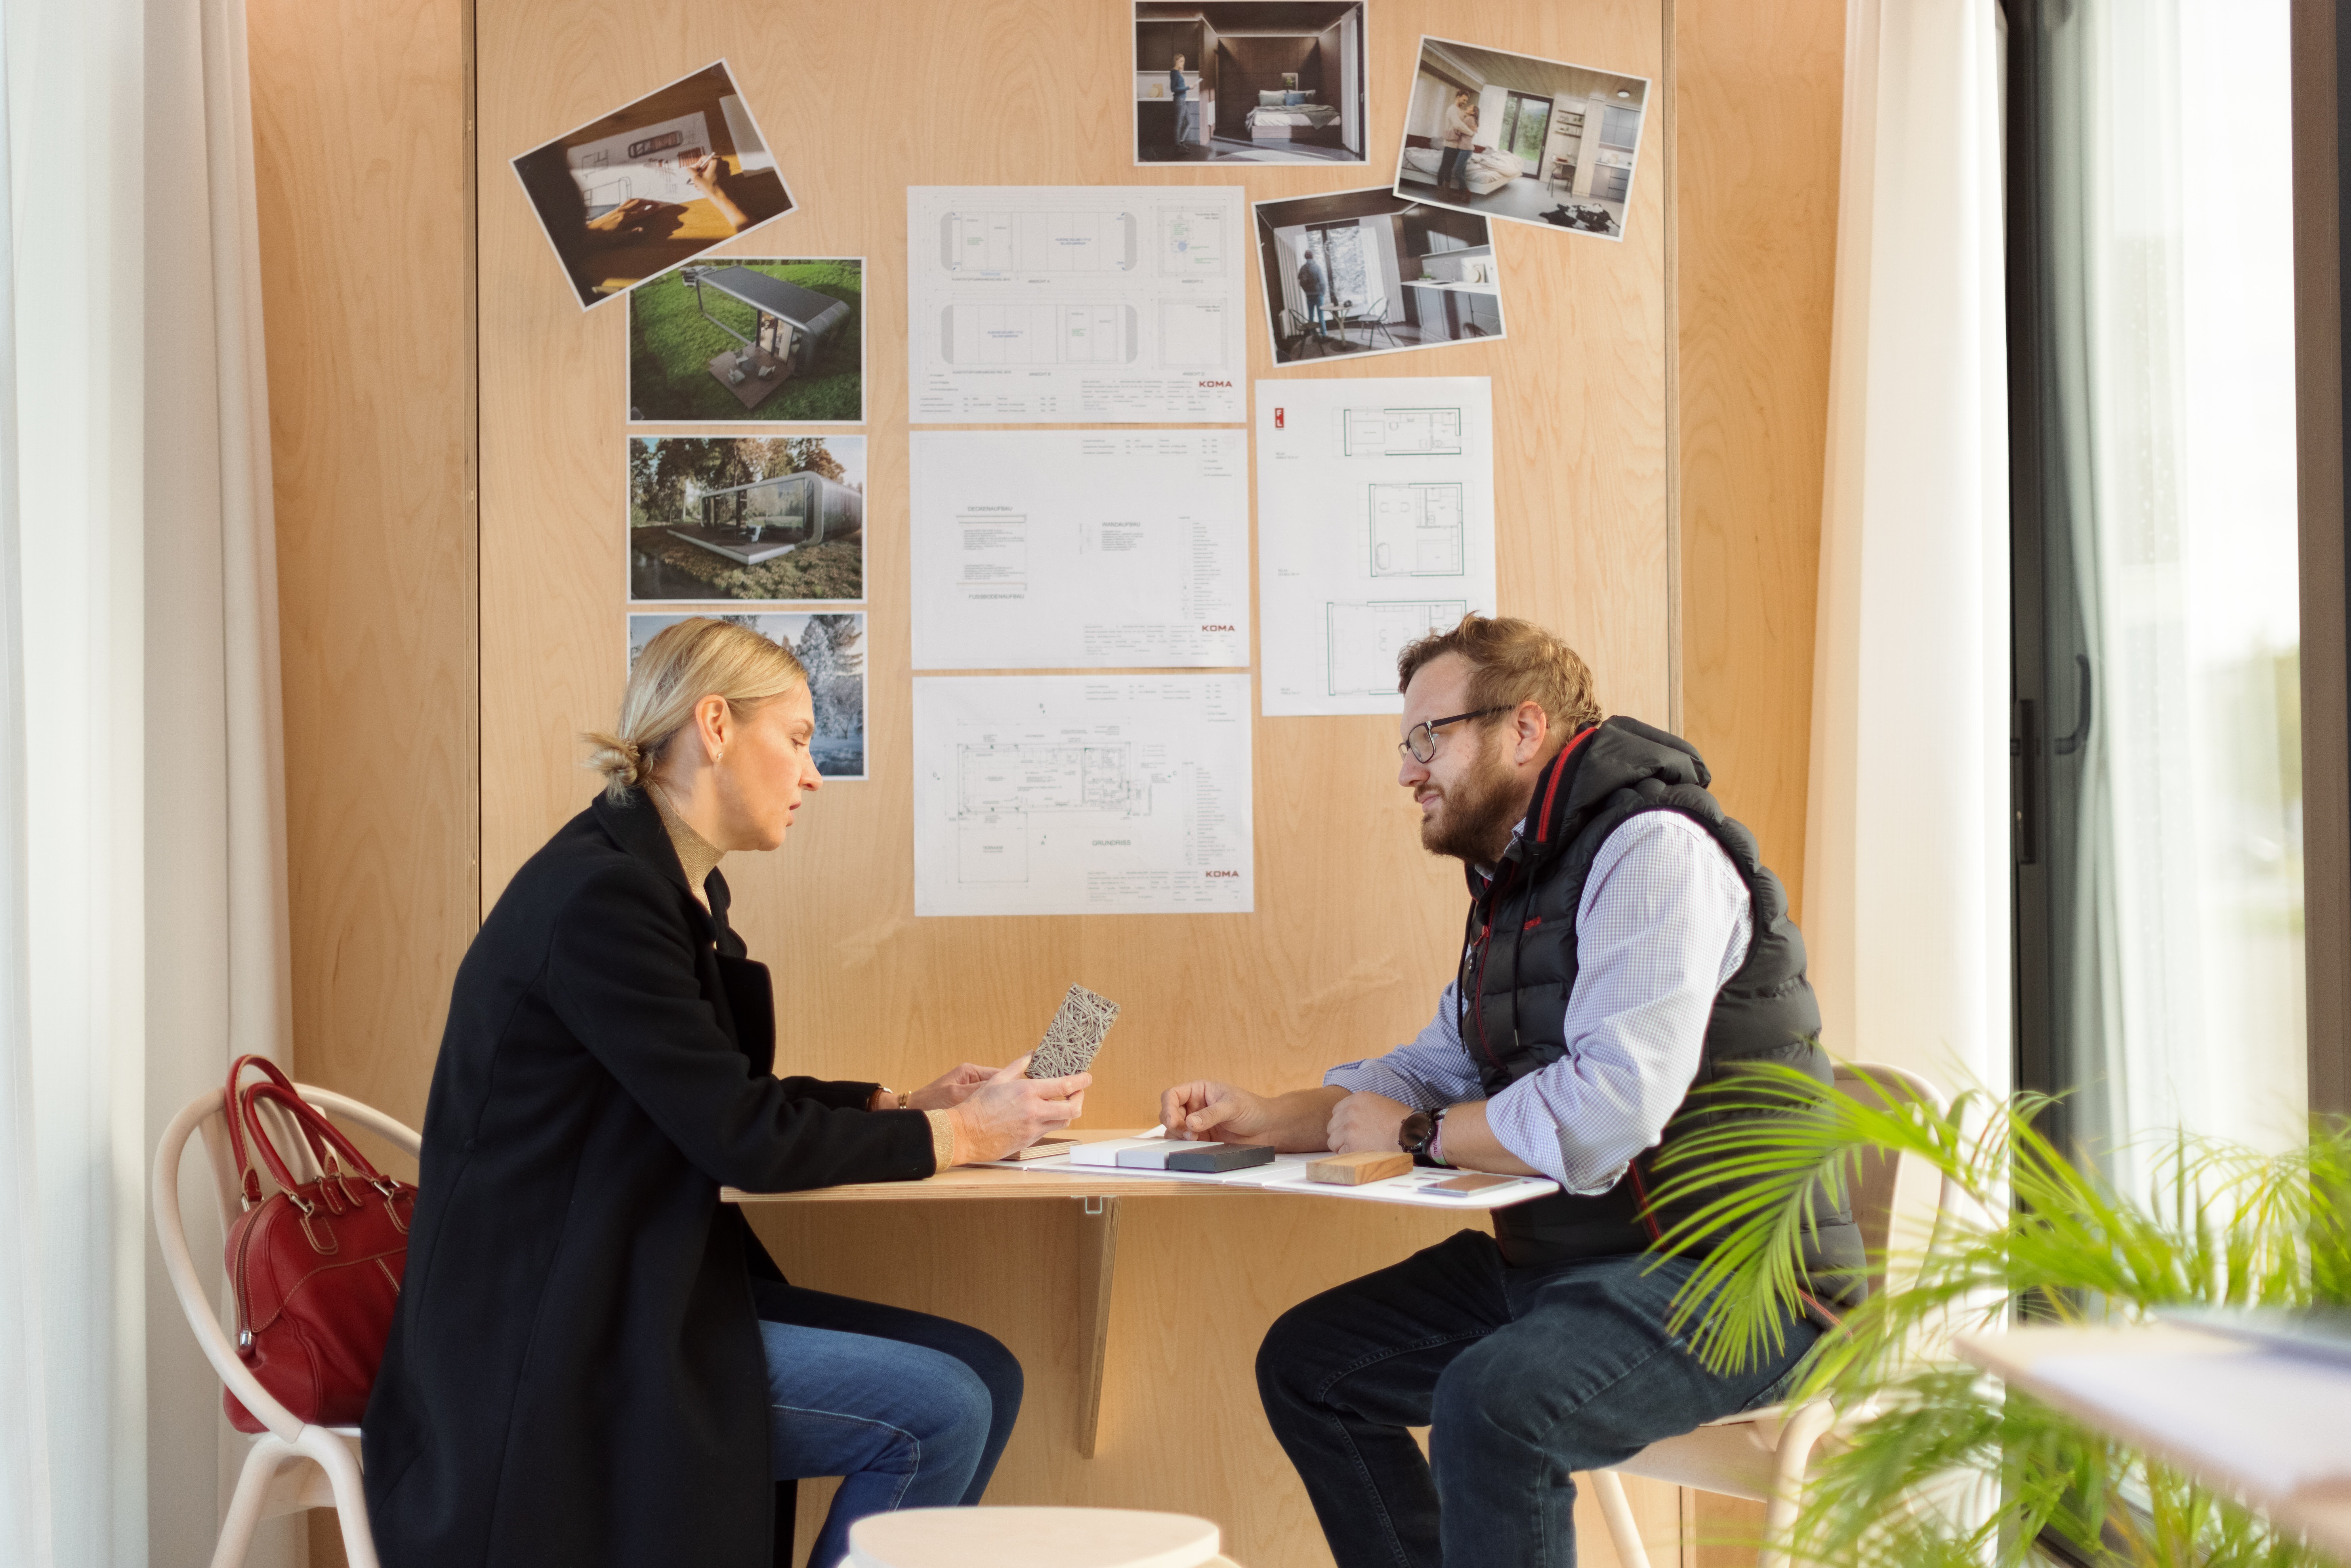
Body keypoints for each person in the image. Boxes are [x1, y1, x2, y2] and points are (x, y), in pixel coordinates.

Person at [364, 618, 1091, 1568]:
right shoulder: (604, 903)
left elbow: (714, 1097)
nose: (813, 773)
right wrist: (964, 1137)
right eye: (795, 739)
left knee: (988, 1372)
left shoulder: (651, 887)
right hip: (559, 1334)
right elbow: (741, 1138)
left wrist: (896, 1108)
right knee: (944, 1409)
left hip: (628, 1282)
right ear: (714, 725)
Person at [1155, 615, 1862, 1568]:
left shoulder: (1653, 852)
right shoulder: (1516, 887)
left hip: (1737, 1280)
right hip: (1580, 1267)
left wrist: (1416, 1134)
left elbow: (1615, 1102)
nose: (1409, 770)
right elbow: (1435, 1066)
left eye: (1427, 738)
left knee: (1494, 1406)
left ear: (1524, 729)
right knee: (1312, 1365)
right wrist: (1267, 1115)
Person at [1438, 89, 1478, 193]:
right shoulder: (1452, 109)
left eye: (1467, 101)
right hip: (1450, 143)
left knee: (1450, 168)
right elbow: (1458, 125)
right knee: (1445, 167)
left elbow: (1469, 119)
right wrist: (1471, 133)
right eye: (1464, 100)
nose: (1466, 103)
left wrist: (1475, 128)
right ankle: (1441, 191)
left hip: (1458, 145)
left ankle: (1447, 191)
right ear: (1458, 97)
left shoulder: (1461, 111)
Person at [1296, 242, 1329, 338]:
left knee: (1311, 316)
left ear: (1305, 257)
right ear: (1313, 257)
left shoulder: (1302, 269)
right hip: (1318, 295)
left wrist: (1306, 291)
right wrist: (1323, 292)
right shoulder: (1317, 267)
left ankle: (1313, 335)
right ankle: (1324, 334)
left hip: (1309, 295)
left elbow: (1300, 283)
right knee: (1321, 316)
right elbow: (1322, 282)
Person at [1169, 53, 1196, 153]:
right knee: (1179, 124)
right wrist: (1188, 88)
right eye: (1181, 61)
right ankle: (1178, 147)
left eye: (1184, 61)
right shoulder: (1174, 73)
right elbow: (1173, 89)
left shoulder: (1178, 72)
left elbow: (1179, 86)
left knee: (1190, 122)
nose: (1183, 63)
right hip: (1179, 101)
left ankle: (1181, 141)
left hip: (1182, 101)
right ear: (1176, 61)